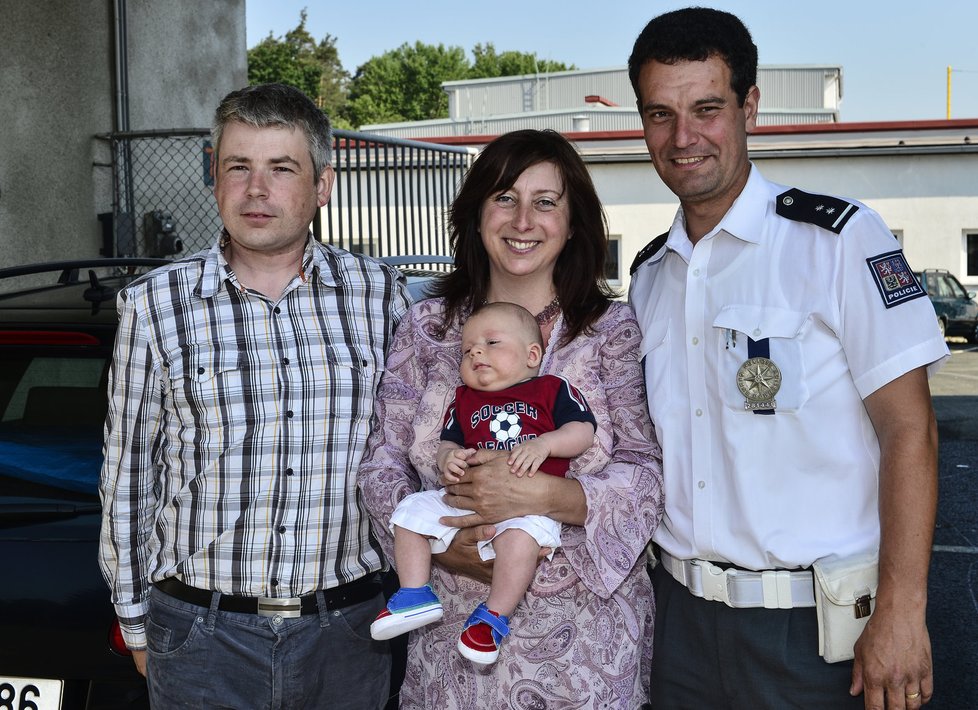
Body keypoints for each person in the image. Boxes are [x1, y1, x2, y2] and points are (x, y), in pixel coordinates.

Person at [626, 8, 949, 709]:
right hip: (678, 624)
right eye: (660, 114)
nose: (683, 138)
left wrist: (902, 608)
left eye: (706, 108)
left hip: (813, 633)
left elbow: (909, 431)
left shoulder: (837, 241)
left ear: (749, 107)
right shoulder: (650, 277)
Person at [98, 83, 410, 709]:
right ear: (215, 177)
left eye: (281, 169)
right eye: (238, 167)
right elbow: (128, 473)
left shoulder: (386, 299)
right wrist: (136, 621)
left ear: (323, 185)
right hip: (200, 638)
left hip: (349, 634)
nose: (256, 190)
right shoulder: (153, 305)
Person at [357, 128, 663, 708]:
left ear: (573, 224)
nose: (523, 219)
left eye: (546, 202)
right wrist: (443, 545)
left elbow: (644, 470)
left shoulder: (611, 332)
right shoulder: (429, 329)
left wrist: (541, 499)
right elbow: (382, 462)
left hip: (586, 654)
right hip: (451, 644)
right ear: (476, 215)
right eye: (504, 197)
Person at [369, 301, 597, 667]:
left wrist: (545, 443)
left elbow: (583, 431)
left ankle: (492, 618)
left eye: (492, 343)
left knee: (521, 540)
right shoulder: (463, 400)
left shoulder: (551, 389)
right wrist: (447, 458)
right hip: (465, 500)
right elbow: (449, 441)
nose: (476, 351)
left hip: (528, 504)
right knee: (409, 511)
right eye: (467, 349)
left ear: (532, 354)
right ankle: (414, 594)